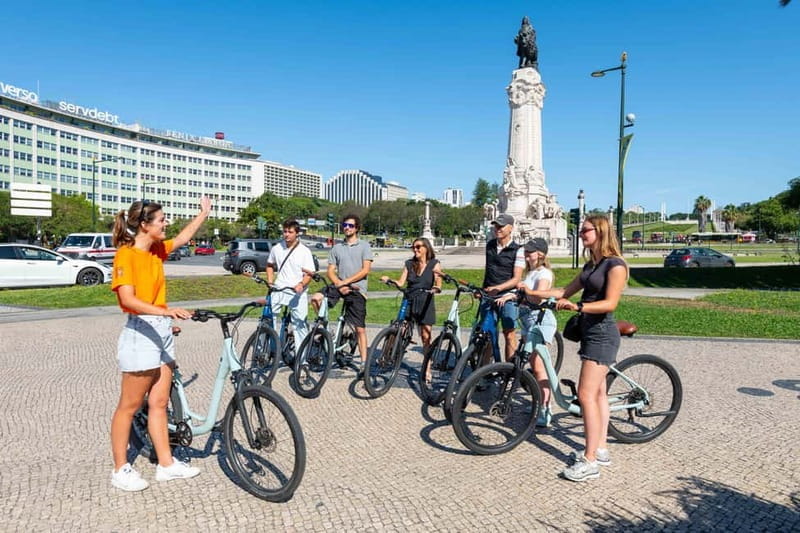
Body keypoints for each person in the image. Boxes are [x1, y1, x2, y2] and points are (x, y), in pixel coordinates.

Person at [109, 197, 211, 492]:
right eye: (161, 220)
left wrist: (203, 214)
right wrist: (166, 312)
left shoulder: (155, 250)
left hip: (161, 330)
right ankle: (120, 468)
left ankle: (166, 465)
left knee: (159, 402)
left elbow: (182, 238)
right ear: (144, 225)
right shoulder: (125, 256)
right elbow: (127, 300)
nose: (166, 224)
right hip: (141, 331)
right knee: (128, 406)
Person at [526, 215, 627, 482]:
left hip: (602, 333)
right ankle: (601, 449)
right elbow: (564, 291)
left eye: (585, 230)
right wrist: (530, 293)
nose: (581, 234)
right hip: (588, 331)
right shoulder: (591, 266)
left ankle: (590, 460)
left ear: (601, 231)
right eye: (580, 230)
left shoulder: (615, 266)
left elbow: (610, 304)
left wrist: (578, 307)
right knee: (599, 394)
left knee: (586, 396)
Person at [501, 237, 556, 427]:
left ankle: (546, 409)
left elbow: (538, 298)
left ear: (540, 254)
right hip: (527, 320)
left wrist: (525, 289)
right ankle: (539, 401)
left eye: (530, 252)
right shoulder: (531, 272)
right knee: (532, 362)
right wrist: (510, 295)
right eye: (525, 252)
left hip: (540, 321)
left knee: (539, 367)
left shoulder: (544, 274)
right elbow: (525, 294)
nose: (526, 255)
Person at [310, 214, 373, 371]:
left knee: (360, 328)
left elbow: (365, 270)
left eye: (350, 225)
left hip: (357, 289)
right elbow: (330, 270)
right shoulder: (337, 248)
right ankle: (327, 330)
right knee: (316, 299)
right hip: (339, 285)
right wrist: (339, 283)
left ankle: (364, 363)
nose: (347, 228)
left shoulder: (364, 246)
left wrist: (346, 282)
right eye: (345, 225)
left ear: (357, 228)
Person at [379, 238, 442, 381]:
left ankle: (427, 368)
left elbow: (438, 282)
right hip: (409, 299)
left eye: (419, 247)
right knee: (399, 329)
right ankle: (389, 355)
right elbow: (401, 282)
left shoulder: (434, 264)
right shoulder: (409, 264)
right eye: (413, 247)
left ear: (426, 248)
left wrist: (436, 289)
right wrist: (390, 280)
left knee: (426, 337)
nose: (415, 249)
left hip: (425, 300)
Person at [265, 219, 316, 349]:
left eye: (290, 232)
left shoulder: (304, 251)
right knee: (271, 319)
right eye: (285, 231)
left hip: (297, 291)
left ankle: (301, 358)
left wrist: (301, 284)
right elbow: (270, 265)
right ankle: (273, 351)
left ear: (297, 233)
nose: (286, 234)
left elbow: (309, 274)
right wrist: (270, 280)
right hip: (279, 288)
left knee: (299, 324)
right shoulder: (277, 248)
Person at [483, 213, 525, 362]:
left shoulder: (518, 250)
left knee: (509, 333)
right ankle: (483, 373)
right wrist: (483, 290)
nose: (497, 229)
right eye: (496, 226)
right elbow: (488, 270)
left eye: (501, 226)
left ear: (511, 228)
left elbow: (516, 279)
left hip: (508, 295)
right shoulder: (490, 245)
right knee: (487, 333)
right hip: (489, 295)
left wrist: (498, 288)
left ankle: (509, 372)